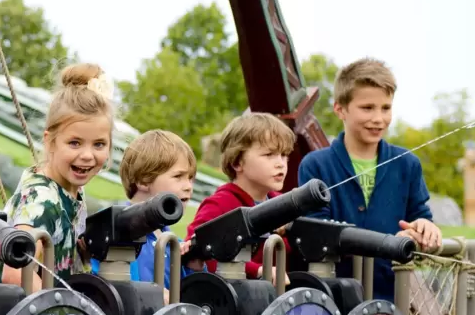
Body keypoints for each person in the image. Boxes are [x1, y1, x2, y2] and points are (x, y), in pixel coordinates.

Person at [297, 57, 442, 301]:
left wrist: (424, 228)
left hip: (393, 302)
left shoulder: (408, 164)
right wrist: (387, 244)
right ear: (340, 109)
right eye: (367, 108)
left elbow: (419, 215)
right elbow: (314, 234)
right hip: (331, 301)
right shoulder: (315, 165)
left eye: (386, 108)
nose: (378, 118)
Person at [0, 63, 113, 289]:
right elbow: (16, 275)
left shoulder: (69, 190)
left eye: (99, 144)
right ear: (50, 141)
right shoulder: (43, 200)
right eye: (75, 143)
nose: (87, 155)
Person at [185, 113, 294, 283]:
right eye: (269, 154)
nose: (280, 163)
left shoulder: (283, 205)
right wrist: (256, 269)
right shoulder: (220, 204)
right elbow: (194, 252)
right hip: (229, 301)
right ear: (237, 162)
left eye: (284, 154)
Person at [90, 129, 196, 289]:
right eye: (178, 177)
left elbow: (190, 298)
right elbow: (117, 292)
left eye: (190, 178)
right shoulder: (112, 229)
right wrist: (156, 296)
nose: (188, 186)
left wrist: (194, 267)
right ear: (144, 180)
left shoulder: (175, 244)